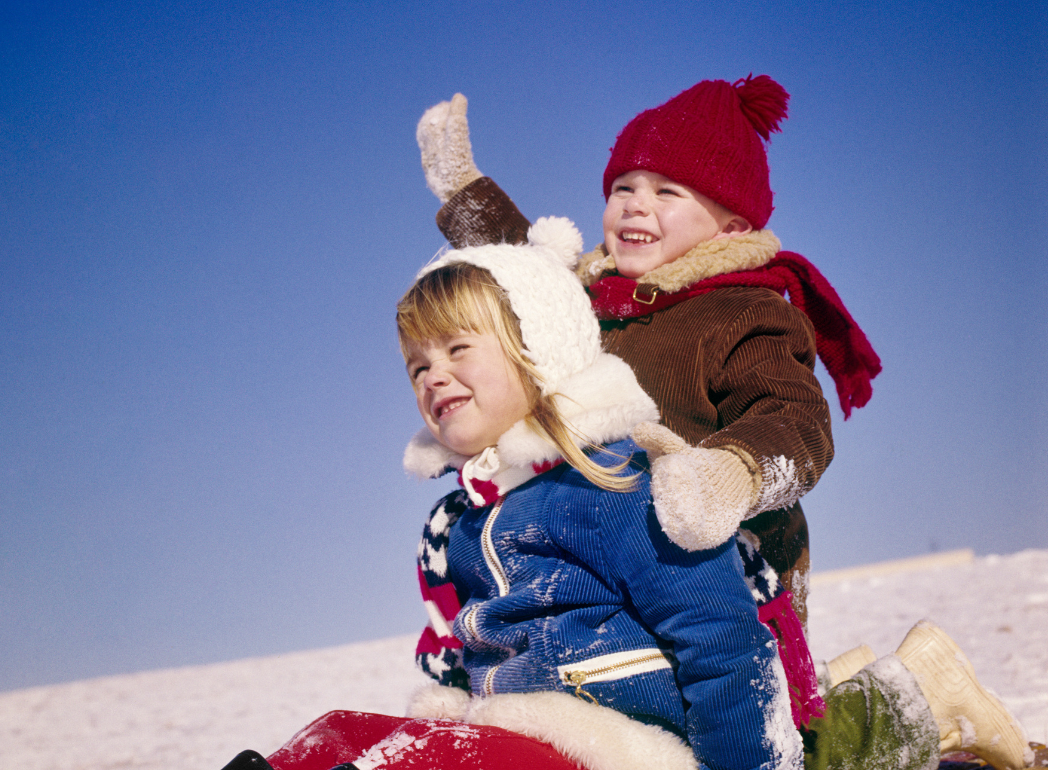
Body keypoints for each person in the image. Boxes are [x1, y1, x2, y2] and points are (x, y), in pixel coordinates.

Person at [220, 221, 1032, 770]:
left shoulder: (608, 487)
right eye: (416, 365)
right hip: (528, 736)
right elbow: (459, 660)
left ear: (536, 352)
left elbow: (722, 645)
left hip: (627, 748)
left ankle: (912, 698)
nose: (434, 374)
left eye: (458, 348)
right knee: (354, 737)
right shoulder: (461, 525)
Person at [415, 77, 883, 633]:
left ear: (730, 226)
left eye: (667, 192)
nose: (637, 206)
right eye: (624, 188)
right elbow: (526, 276)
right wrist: (463, 191)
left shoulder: (745, 313)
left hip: (722, 583)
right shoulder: (589, 299)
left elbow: (796, 422)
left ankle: (875, 708)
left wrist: (731, 473)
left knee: (728, 705)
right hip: (600, 568)